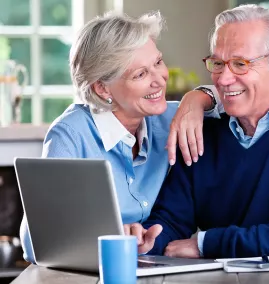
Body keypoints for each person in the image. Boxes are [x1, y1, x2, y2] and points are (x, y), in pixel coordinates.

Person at [127, 4, 269, 259]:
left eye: (240, 64)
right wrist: (145, 239)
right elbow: (172, 221)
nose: (223, 78)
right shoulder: (205, 128)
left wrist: (205, 244)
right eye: (218, 63)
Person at [20, 11, 222, 263]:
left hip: (147, 266)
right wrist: (112, 236)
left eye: (158, 62)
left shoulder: (168, 116)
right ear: (103, 88)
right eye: (140, 74)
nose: (159, 80)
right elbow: (35, 244)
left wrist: (197, 98)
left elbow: (235, 95)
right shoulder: (71, 134)